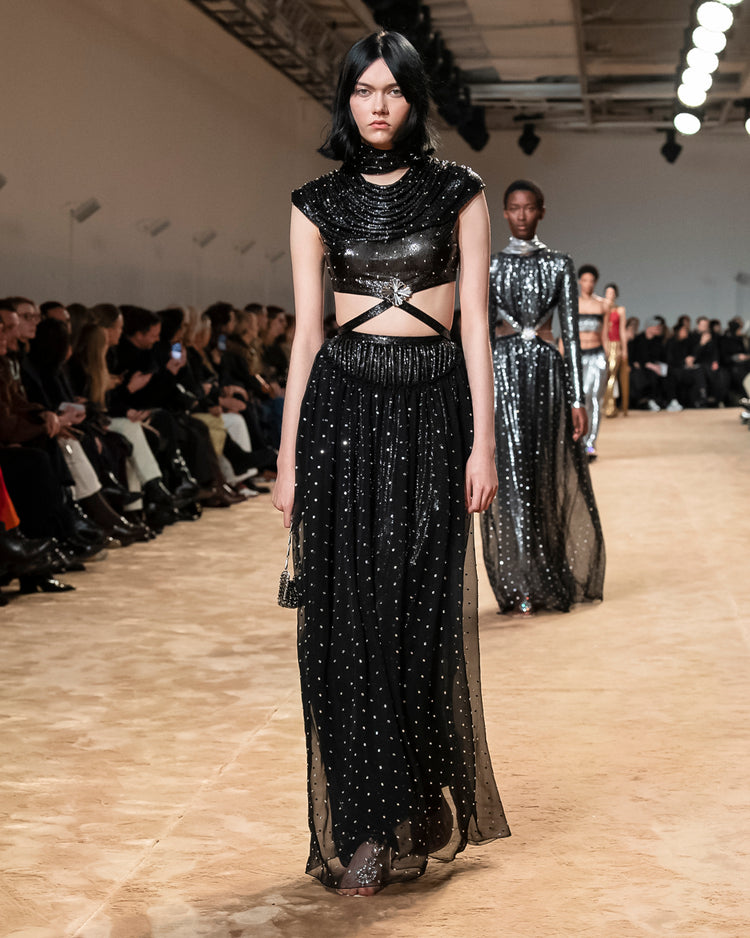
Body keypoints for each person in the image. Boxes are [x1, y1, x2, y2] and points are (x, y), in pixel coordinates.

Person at [272, 31, 509, 897]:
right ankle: (369, 827)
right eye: (364, 90)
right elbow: (307, 335)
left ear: (415, 100)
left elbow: (476, 325)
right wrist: (287, 457)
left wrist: (485, 442)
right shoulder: (315, 202)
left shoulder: (459, 191)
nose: (378, 106)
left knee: (419, 611)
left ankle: (423, 785)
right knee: (346, 621)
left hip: (434, 409)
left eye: (394, 91)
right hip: (341, 414)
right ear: (346, 99)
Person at [480, 179, 604, 617]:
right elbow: (480, 331)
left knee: (543, 470)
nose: (521, 215)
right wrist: (477, 394)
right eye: (514, 208)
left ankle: (546, 574)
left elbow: (570, 332)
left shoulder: (559, 264)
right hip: (503, 374)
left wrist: (577, 399)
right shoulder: (491, 266)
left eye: (529, 208)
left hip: (548, 374)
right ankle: (518, 580)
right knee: (511, 475)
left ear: (541, 211)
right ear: (504, 212)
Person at [577, 265, 609, 458]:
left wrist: (608, 359)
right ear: (579, 281)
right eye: (585, 280)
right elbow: (567, 334)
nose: (588, 284)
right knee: (578, 399)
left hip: (597, 356)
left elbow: (605, 334)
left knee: (594, 398)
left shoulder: (602, 305)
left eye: (591, 281)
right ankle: (578, 441)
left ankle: (590, 444)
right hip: (578, 356)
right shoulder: (573, 304)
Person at [602, 283, 629, 417]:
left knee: (612, 374)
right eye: (608, 293)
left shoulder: (620, 310)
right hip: (603, 344)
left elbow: (622, 330)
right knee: (604, 375)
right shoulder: (602, 308)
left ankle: (610, 407)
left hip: (615, 344)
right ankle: (605, 405)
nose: (610, 295)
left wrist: (624, 349)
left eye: (612, 293)